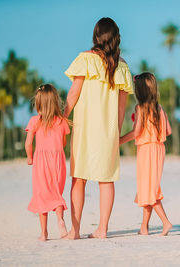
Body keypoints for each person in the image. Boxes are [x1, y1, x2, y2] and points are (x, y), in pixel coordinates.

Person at [63, 17, 133, 239]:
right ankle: (102, 229)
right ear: (115, 37)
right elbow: (122, 106)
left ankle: (75, 230)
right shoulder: (121, 66)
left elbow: (74, 93)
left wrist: (63, 116)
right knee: (106, 178)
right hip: (107, 130)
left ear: (96, 36)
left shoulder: (85, 59)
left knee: (78, 178)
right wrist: (116, 130)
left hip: (84, 128)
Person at [120, 72, 173, 236]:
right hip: (159, 149)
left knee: (149, 189)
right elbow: (168, 131)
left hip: (146, 150)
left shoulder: (140, 108)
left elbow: (136, 132)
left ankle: (166, 222)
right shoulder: (159, 108)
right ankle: (144, 227)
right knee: (149, 187)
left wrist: (119, 140)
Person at [25, 84, 70, 241]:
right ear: (55, 102)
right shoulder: (62, 121)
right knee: (56, 193)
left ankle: (44, 233)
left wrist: (30, 157)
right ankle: (60, 220)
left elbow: (28, 143)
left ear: (38, 104)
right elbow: (63, 143)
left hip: (41, 163)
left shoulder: (35, 121)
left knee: (41, 195)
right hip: (58, 162)